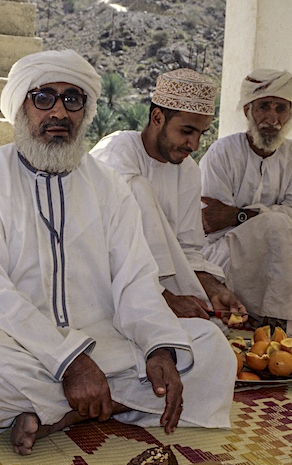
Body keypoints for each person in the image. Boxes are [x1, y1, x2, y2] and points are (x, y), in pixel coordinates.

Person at [0, 50, 236, 458]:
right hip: (5, 337)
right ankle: (107, 400)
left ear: (85, 111)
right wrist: (68, 362)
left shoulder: (107, 184)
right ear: (21, 106)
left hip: (102, 335)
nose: (59, 111)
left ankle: (62, 414)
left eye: (72, 99)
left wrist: (157, 344)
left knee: (209, 349)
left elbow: (135, 279)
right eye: (43, 98)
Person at [91, 68, 247, 328]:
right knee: (139, 189)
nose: (194, 145)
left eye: (201, 133)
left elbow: (187, 248)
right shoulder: (116, 154)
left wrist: (214, 290)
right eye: (187, 131)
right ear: (157, 117)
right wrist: (162, 298)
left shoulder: (188, 171)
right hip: (106, 286)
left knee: (210, 337)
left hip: (165, 292)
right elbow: (103, 249)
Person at [198, 69, 292, 340]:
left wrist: (240, 214)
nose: (273, 118)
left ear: (290, 114)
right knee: (276, 224)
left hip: (280, 256)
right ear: (248, 110)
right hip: (226, 254)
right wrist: (265, 219)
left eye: (281, 108)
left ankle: (272, 319)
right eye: (264, 107)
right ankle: (276, 323)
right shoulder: (222, 153)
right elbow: (212, 222)